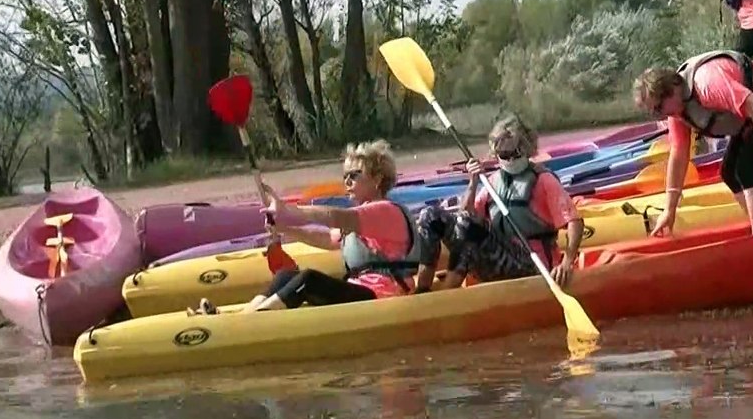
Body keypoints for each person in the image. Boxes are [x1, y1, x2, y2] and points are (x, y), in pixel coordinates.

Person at [186, 140, 424, 315]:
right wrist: (286, 229)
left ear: (377, 179)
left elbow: (334, 216)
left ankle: (254, 323)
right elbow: (325, 238)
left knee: (309, 279)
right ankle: (242, 317)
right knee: (286, 275)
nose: (347, 182)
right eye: (345, 176)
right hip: (359, 293)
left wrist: (289, 211)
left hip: (384, 299)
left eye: (354, 175)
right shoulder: (362, 216)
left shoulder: (385, 211)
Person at [633, 49, 753, 237]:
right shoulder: (677, 110)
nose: (660, 115)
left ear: (672, 90)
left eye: (658, 108)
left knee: (746, 169)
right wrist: (669, 209)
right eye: (654, 113)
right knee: (729, 172)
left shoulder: (707, 84)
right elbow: (679, 154)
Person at [413, 115, 584, 292]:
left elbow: (575, 222)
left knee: (468, 225)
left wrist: (567, 262)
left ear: (526, 149)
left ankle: (446, 294)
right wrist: (473, 181)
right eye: (504, 155)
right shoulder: (493, 181)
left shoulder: (544, 180)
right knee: (430, 215)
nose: (509, 160)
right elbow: (465, 217)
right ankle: (423, 290)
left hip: (531, 264)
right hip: (498, 260)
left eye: (514, 153)